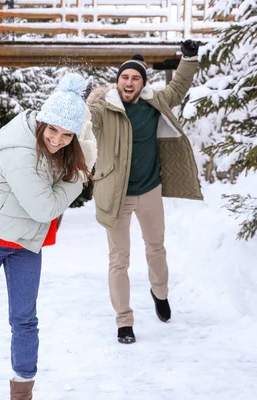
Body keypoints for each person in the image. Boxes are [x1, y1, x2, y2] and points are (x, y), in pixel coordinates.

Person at [0, 73, 97, 400]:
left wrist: (77, 163)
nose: (57, 140)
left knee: (25, 318)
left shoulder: (64, 150)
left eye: (67, 135)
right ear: (42, 122)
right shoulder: (21, 152)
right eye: (53, 130)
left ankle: (22, 390)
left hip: (25, 243)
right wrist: (78, 178)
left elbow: (52, 200)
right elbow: (45, 208)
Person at [86, 40, 204, 344]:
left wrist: (189, 58)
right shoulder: (103, 108)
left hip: (150, 191)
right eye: (125, 77)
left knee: (156, 248)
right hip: (117, 195)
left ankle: (160, 292)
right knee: (118, 260)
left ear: (143, 83)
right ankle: (124, 321)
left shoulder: (154, 104)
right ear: (118, 81)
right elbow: (87, 120)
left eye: (135, 78)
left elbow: (178, 86)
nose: (129, 82)